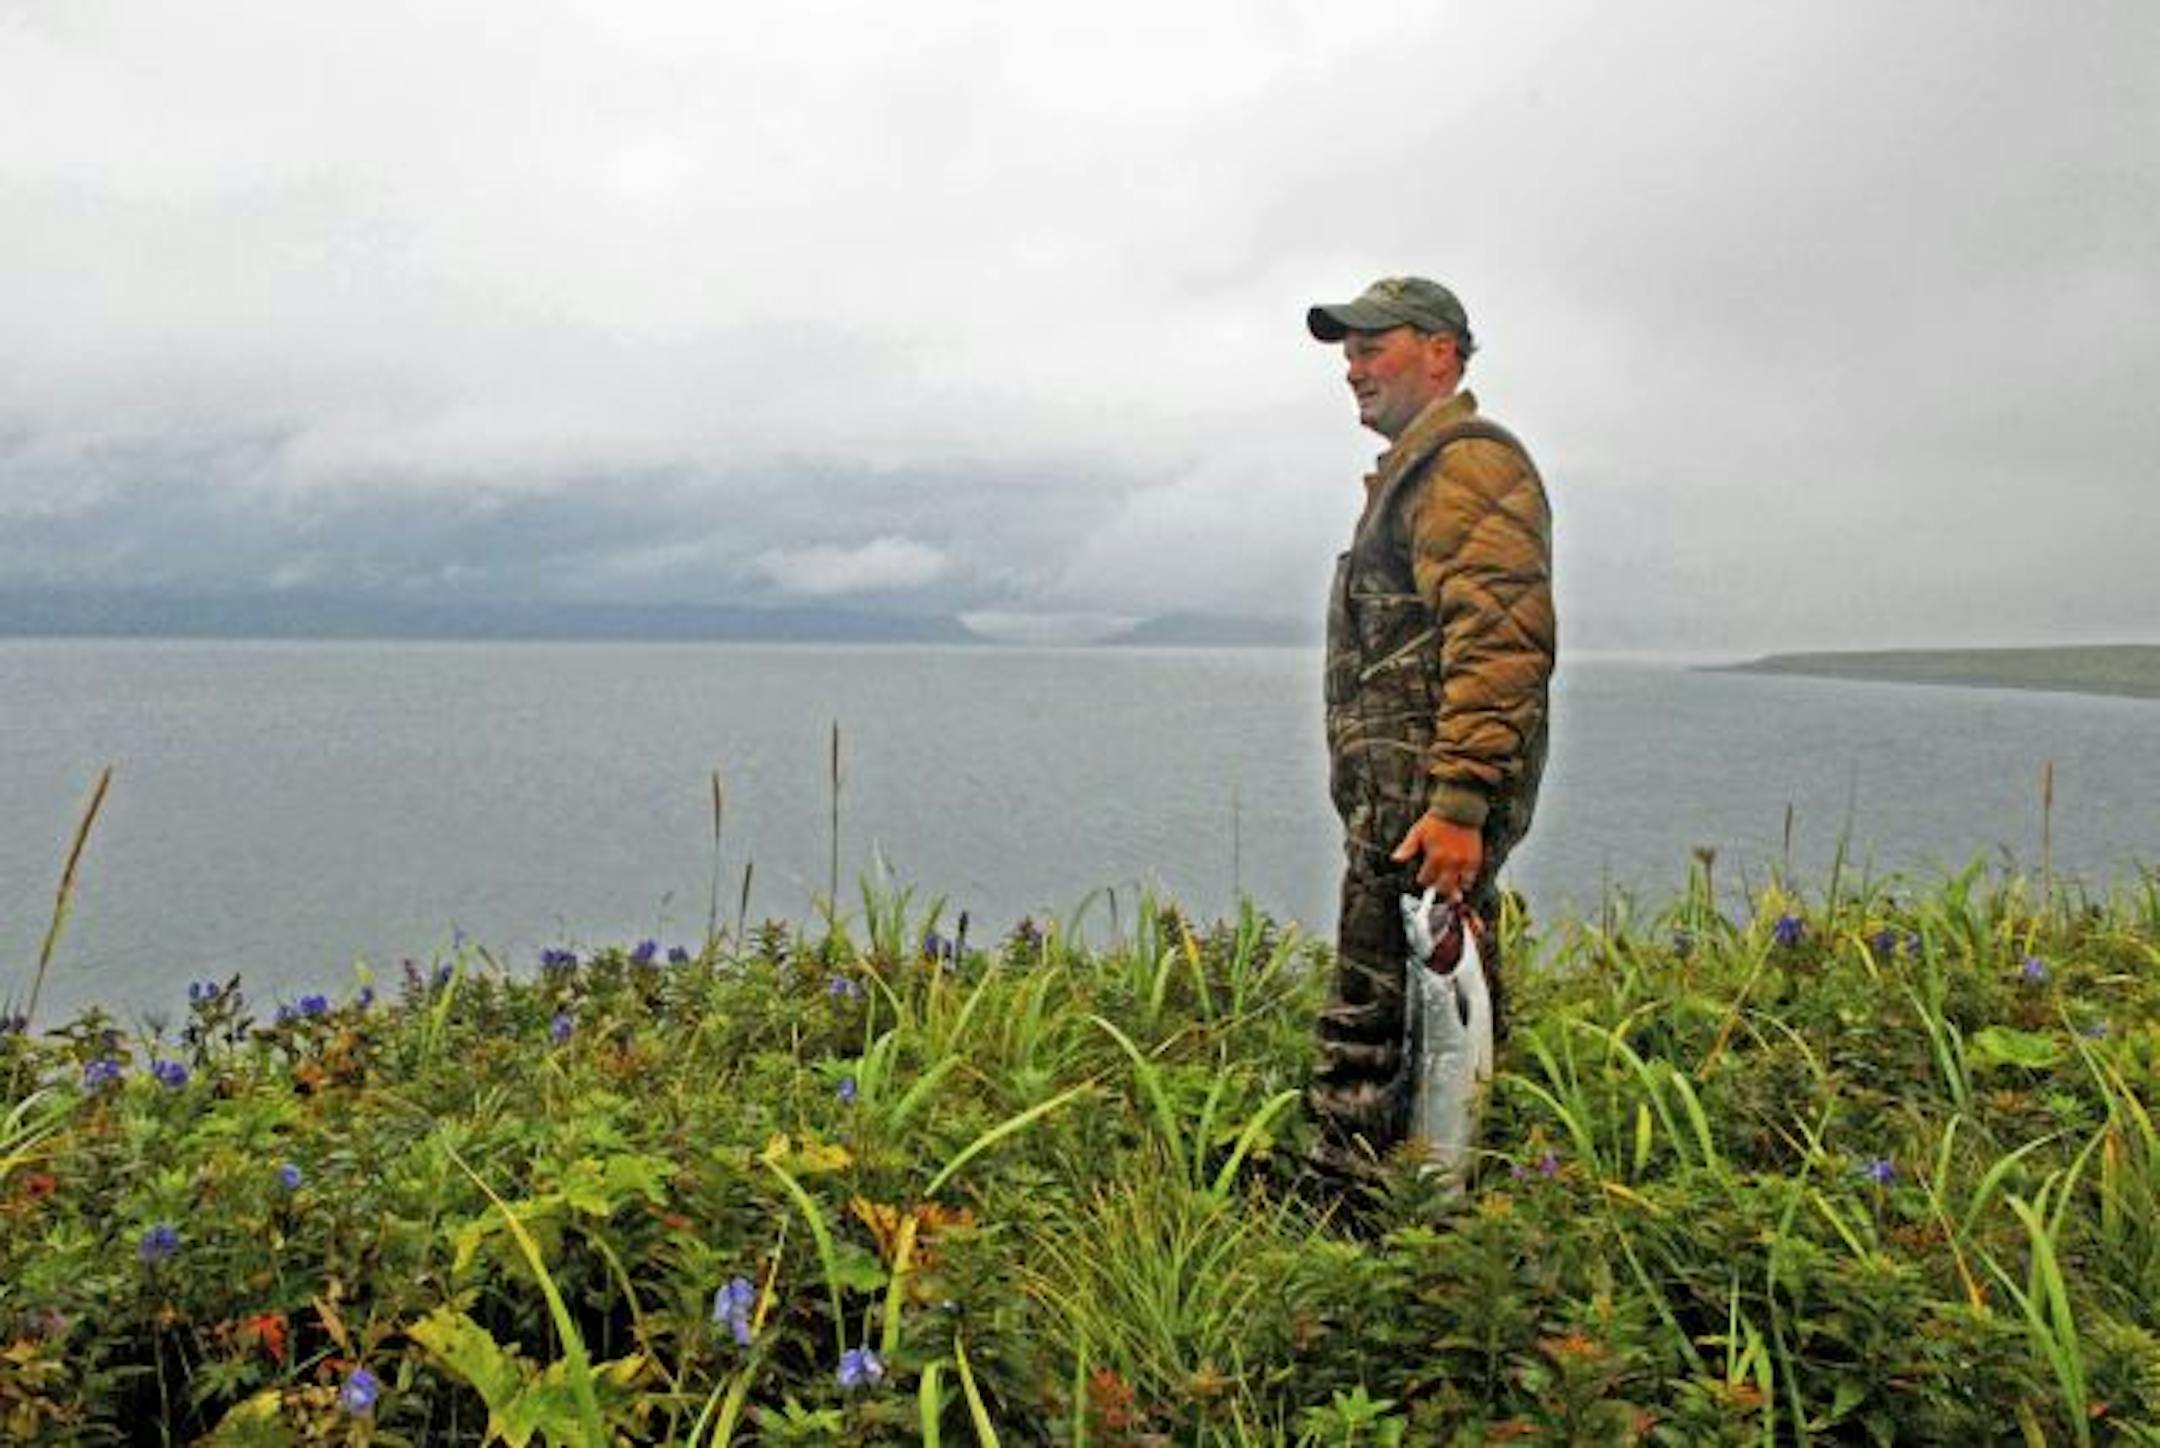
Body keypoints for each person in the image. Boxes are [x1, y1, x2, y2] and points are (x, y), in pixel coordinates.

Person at [1303, 276, 1555, 1189]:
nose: (1353, 369)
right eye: (1349, 354)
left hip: (1423, 812)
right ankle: (1417, 1214)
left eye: (1373, 348)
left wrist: (1458, 803)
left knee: (1387, 1021)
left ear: (1440, 352)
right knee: (1407, 1016)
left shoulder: (1469, 467)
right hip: (1400, 808)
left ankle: (1367, 1222)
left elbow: (1500, 640)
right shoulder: (1421, 473)